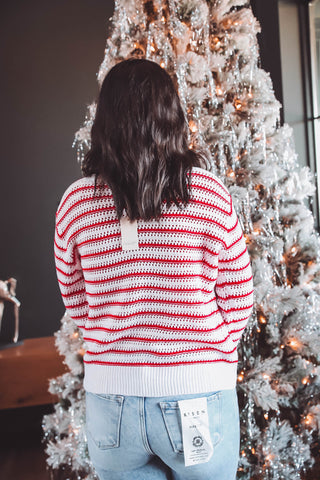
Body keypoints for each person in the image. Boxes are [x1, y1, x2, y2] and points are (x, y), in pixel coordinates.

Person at [54, 58, 254, 480]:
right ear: (172, 116)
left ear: (104, 120)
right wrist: (205, 347)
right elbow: (238, 298)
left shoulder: (75, 203)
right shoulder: (209, 196)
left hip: (112, 400)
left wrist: (116, 342)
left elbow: (76, 300)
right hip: (197, 392)